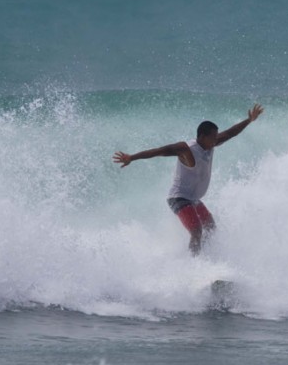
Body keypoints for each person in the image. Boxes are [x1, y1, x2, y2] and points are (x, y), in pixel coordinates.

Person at [113, 104, 264, 255]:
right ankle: (194, 265)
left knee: (210, 227)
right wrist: (132, 157)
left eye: (216, 137)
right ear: (202, 136)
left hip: (193, 199)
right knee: (196, 230)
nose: (215, 140)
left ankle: (205, 259)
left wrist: (249, 120)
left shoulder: (210, 144)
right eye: (212, 137)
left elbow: (231, 133)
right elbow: (159, 151)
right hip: (179, 198)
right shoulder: (186, 149)